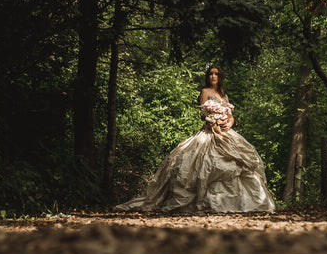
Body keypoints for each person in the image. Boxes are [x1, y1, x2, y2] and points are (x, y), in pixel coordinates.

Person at [115, 64, 276, 213]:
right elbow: (203, 114)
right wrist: (215, 120)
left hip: (225, 132)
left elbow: (230, 115)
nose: (213, 76)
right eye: (211, 74)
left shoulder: (224, 95)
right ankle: (204, 202)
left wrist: (229, 123)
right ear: (208, 77)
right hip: (209, 132)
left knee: (240, 162)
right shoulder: (205, 92)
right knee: (198, 164)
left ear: (220, 77)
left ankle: (239, 203)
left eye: (216, 74)